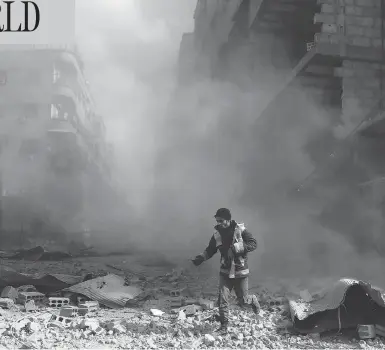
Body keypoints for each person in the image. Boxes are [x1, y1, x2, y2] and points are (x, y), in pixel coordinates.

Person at [192, 208, 260, 334]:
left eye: (221, 220)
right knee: (223, 299)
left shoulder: (240, 230)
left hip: (240, 271)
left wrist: (235, 248)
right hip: (225, 272)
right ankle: (224, 327)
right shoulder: (217, 234)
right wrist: (201, 258)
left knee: (243, 301)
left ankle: (252, 300)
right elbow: (211, 249)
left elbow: (253, 243)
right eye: (217, 221)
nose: (219, 223)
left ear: (228, 220)